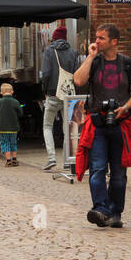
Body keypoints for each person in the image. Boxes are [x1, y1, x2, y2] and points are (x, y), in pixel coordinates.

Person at [73, 25, 131, 229]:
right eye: (96, 38)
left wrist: (125, 107)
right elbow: (78, 80)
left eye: (101, 38)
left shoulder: (129, 64)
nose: (97, 42)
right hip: (97, 124)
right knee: (97, 169)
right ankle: (101, 210)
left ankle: (115, 213)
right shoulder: (93, 63)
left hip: (121, 124)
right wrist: (89, 57)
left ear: (114, 41)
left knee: (119, 173)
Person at [39, 26, 79, 170]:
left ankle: (51, 158)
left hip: (53, 94)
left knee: (47, 126)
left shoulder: (49, 51)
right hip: (69, 95)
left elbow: (46, 73)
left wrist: (45, 91)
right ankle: (67, 161)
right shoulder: (73, 52)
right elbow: (77, 74)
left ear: (54, 38)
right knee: (67, 129)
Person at [0, 82, 23, 166]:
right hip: (13, 128)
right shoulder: (16, 102)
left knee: (5, 143)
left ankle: (8, 160)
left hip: (2, 128)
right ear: (12, 92)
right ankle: (15, 159)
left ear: (1, 93)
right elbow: (20, 113)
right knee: (13, 142)